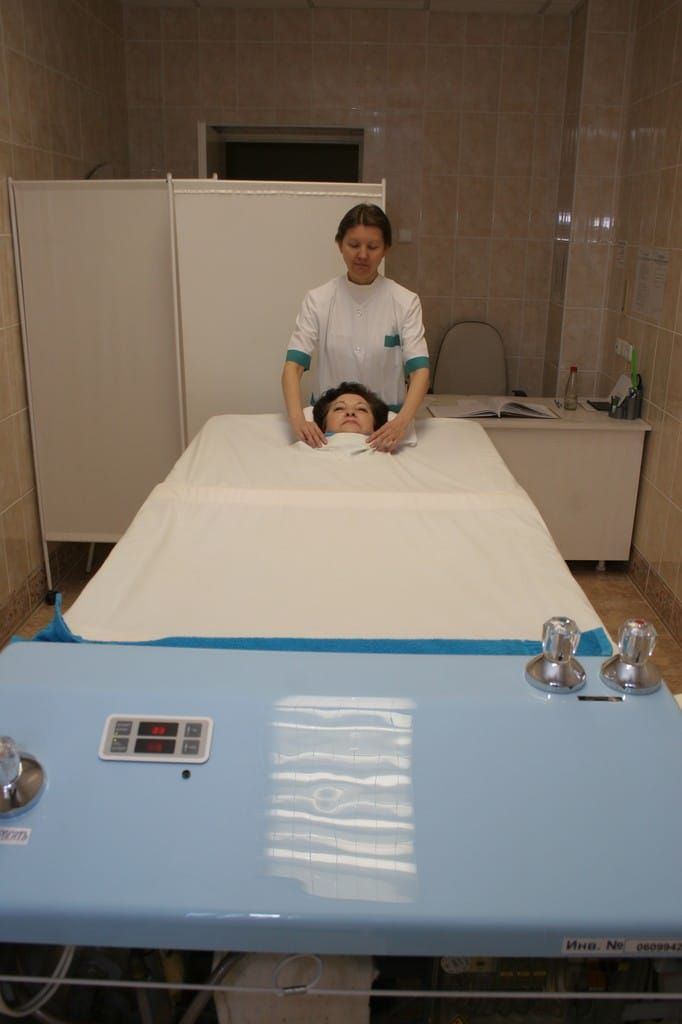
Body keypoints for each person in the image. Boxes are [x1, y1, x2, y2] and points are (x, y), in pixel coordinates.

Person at [282, 203, 430, 452]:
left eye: (372, 247)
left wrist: (401, 422)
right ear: (340, 245)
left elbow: (420, 372)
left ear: (385, 249)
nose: (362, 255)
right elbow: (292, 367)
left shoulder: (405, 302)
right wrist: (297, 419)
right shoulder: (318, 300)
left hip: (384, 426)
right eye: (353, 245)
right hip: (328, 429)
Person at [312, 382, 389, 437]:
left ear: (375, 425)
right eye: (339, 408)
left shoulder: (391, 454)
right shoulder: (306, 452)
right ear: (324, 424)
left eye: (361, 409)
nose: (350, 412)